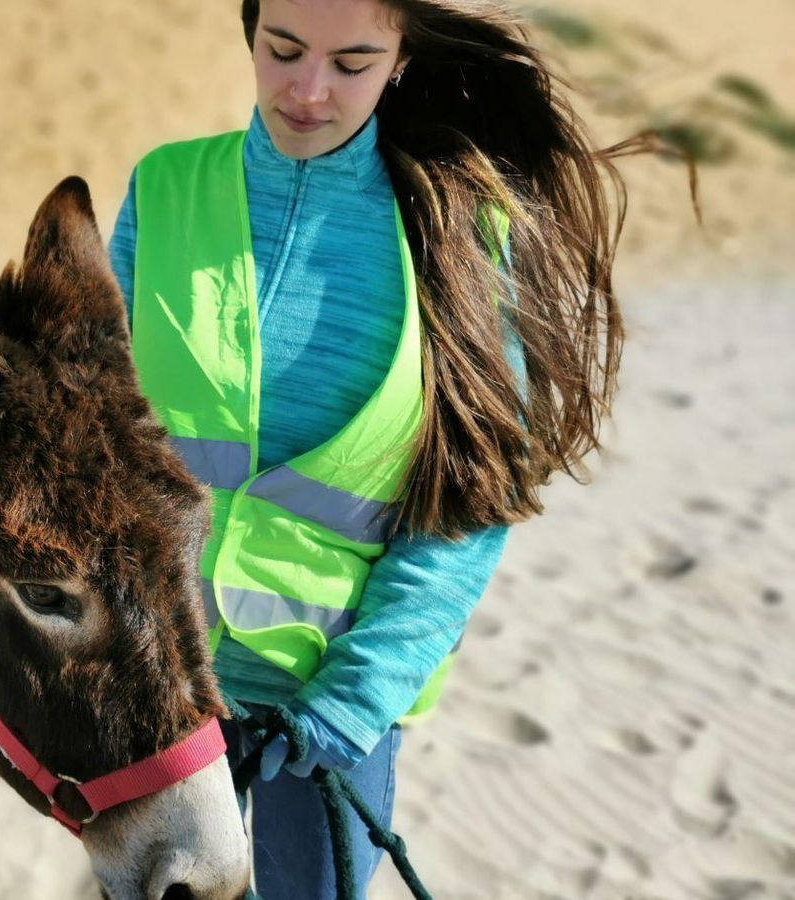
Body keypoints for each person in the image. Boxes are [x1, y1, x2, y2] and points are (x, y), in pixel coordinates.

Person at [109, 1, 655, 894]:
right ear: (250, 28)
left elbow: (467, 513)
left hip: (328, 709)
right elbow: (93, 430)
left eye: (352, 63)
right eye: (283, 49)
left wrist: (352, 704)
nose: (307, 90)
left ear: (401, 58)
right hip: (160, 683)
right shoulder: (164, 189)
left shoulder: (458, 237)